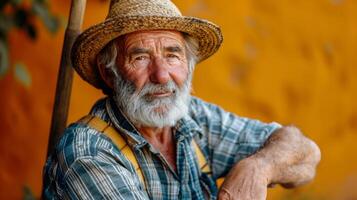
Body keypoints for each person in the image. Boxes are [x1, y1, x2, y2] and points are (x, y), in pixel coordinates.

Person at [43, 0, 321, 199]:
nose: (162, 75)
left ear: (188, 64)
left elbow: (306, 154)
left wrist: (260, 166)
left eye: (172, 55)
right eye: (140, 57)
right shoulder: (87, 152)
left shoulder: (192, 118)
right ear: (109, 73)